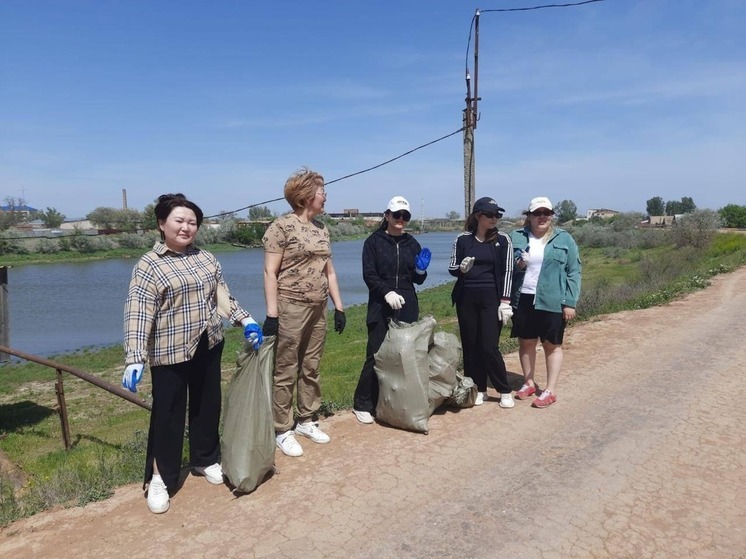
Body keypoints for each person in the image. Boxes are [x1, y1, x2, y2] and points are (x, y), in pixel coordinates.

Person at [122, 193, 263, 514]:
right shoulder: (149, 265)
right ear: (161, 224)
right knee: (168, 414)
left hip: (208, 343)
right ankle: (161, 478)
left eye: (192, 222)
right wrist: (134, 356)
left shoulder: (207, 258)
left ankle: (205, 459)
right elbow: (138, 313)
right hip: (169, 351)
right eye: (179, 221)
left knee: (207, 403)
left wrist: (246, 319)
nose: (186, 227)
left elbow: (221, 296)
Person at [262, 167, 346, 457]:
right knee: (286, 369)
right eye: (321, 191)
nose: (325, 196)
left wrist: (339, 306)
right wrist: (272, 315)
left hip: (318, 307)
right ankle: (281, 429)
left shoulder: (322, 229)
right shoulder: (281, 227)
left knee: (311, 365)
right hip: (290, 306)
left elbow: (329, 272)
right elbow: (269, 272)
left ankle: (306, 420)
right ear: (305, 196)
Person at [352, 196, 431, 424]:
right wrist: (386, 292)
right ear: (387, 215)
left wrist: (421, 270)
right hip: (380, 302)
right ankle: (363, 403)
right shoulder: (373, 242)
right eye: (396, 215)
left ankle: (395, 403)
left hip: (407, 301)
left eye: (405, 216)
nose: (400, 220)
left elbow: (418, 280)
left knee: (403, 356)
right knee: (376, 354)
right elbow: (369, 275)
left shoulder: (412, 243)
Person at [509, 196, 581, 408]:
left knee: (552, 345)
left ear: (551, 216)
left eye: (546, 213)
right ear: (529, 216)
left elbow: (574, 271)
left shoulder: (564, 239)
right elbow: (507, 268)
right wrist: (520, 263)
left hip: (552, 299)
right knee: (526, 341)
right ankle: (529, 383)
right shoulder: (516, 237)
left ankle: (549, 390)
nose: (542, 217)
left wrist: (570, 302)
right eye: (537, 213)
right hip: (523, 298)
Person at [448, 197, 515, 408]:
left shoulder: (503, 240)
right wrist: (462, 269)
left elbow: (508, 271)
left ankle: (504, 389)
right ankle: (479, 388)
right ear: (478, 216)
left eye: (498, 215)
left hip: (491, 299)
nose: (495, 218)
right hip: (466, 298)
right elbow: (452, 268)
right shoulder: (462, 240)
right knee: (471, 345)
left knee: (489, 346)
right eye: (490, 214)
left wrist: (505, 301)